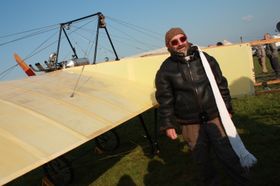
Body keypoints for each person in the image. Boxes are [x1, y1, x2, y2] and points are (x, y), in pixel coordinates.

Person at [155, 27, 250, 185]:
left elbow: (221, 84)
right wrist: (168, 124)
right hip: (189, 122)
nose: (180, 43)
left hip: (214, 116)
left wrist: (227, 109)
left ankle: (241, 181)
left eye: (182, 39)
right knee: (202, 162)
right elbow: (165, 99)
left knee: (228, 154)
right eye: (175, 41)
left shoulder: (206, 59)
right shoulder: (166, 69)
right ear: (168, 46)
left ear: (187, 38)